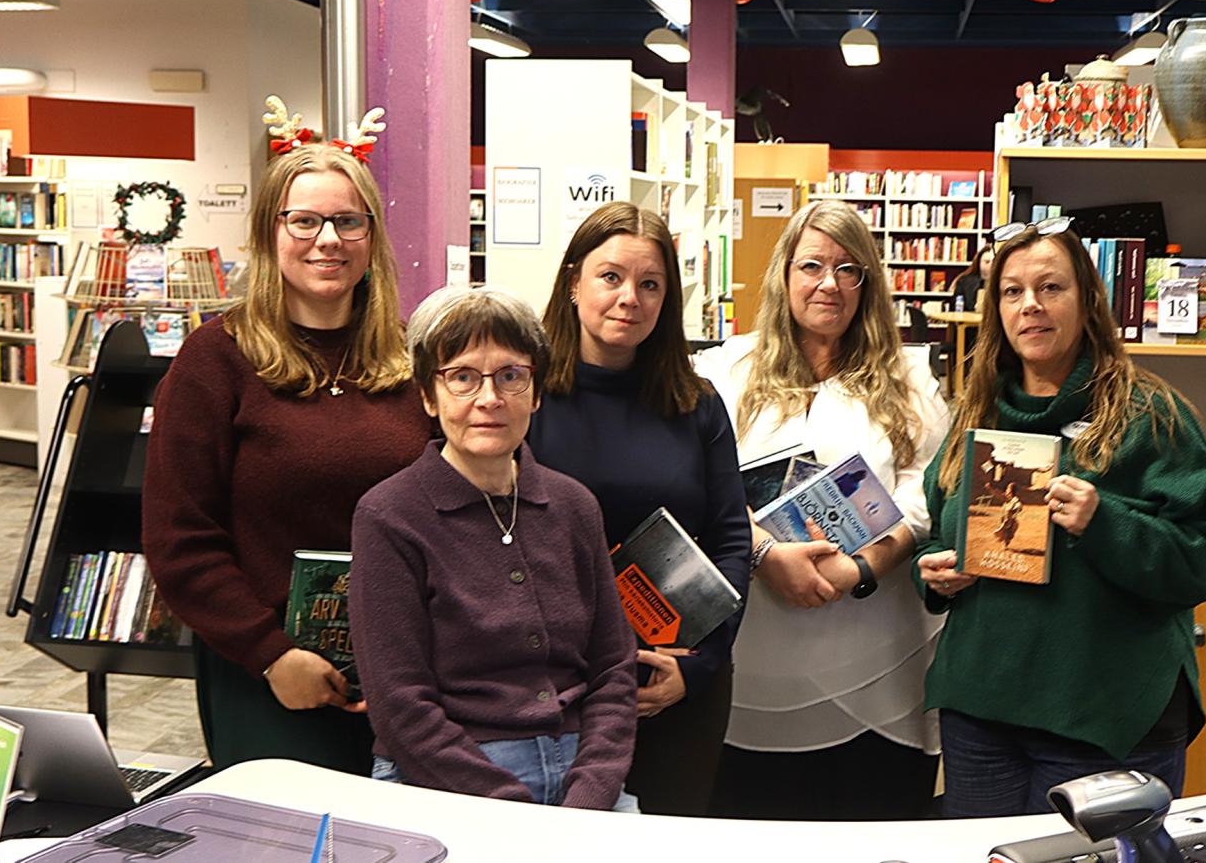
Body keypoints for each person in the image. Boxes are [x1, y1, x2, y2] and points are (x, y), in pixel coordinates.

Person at [915, 216, 1206, 817]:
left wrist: (1104, 522)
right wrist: (933, 573)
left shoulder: (1149, 415)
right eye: (1012, 291)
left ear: (1088, 300)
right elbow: (936, 532)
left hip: (1104, 714)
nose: (1030, 306)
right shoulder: (975, 415)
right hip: (982, 711)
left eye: (1051, 287)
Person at [142, 137, 432, 773]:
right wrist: (270, 654)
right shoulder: (215, 360)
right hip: (272, 676)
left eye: (348, 221)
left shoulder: (413, 358)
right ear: (269, 233)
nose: (328, 240)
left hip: (408, 669)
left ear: (371, 236)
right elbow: (179, 537)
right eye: (304, 220)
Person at [695, 200, 951, 821]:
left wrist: (860, 568)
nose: (828, 283)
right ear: (784, 274)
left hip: (880, 661)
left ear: (868, 283)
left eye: (848, 269)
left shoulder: (908, 377)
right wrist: (762, 553)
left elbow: (926, 491)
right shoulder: (727, 370)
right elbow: (697, 481)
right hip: (754, 661)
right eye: (811, 265)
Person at [349, 286, 638, 810]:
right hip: (450, 775)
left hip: (585, 773)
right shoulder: (389, 515)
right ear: (428, 396)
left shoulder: (574, 505)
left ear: (536, 392)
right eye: (462, 377)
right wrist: (509, 810)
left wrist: (591, 794)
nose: (489, 398)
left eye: (510, 375)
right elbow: (398, 704)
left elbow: (613, 667)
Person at [524, 201, 751, 817]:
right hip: (552, 683)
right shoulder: (524, 397)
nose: (630, 298)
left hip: (673, 679)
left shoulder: (697, 403)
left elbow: (731, 541)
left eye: (650, 284)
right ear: (573, 282)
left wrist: (699, 667)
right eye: (611, 277)